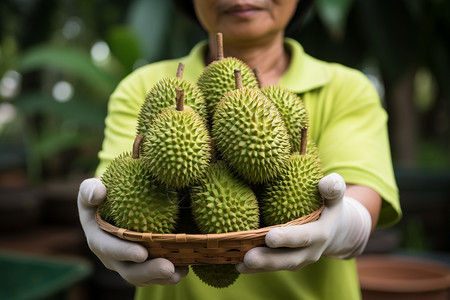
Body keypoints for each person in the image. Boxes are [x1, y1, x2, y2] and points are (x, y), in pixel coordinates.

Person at [77, 0, 401, 299]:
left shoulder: (347, 88)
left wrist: (345, 225)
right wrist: (102, 220)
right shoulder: (140, 87)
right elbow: (113, 192)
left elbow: (364, 198)